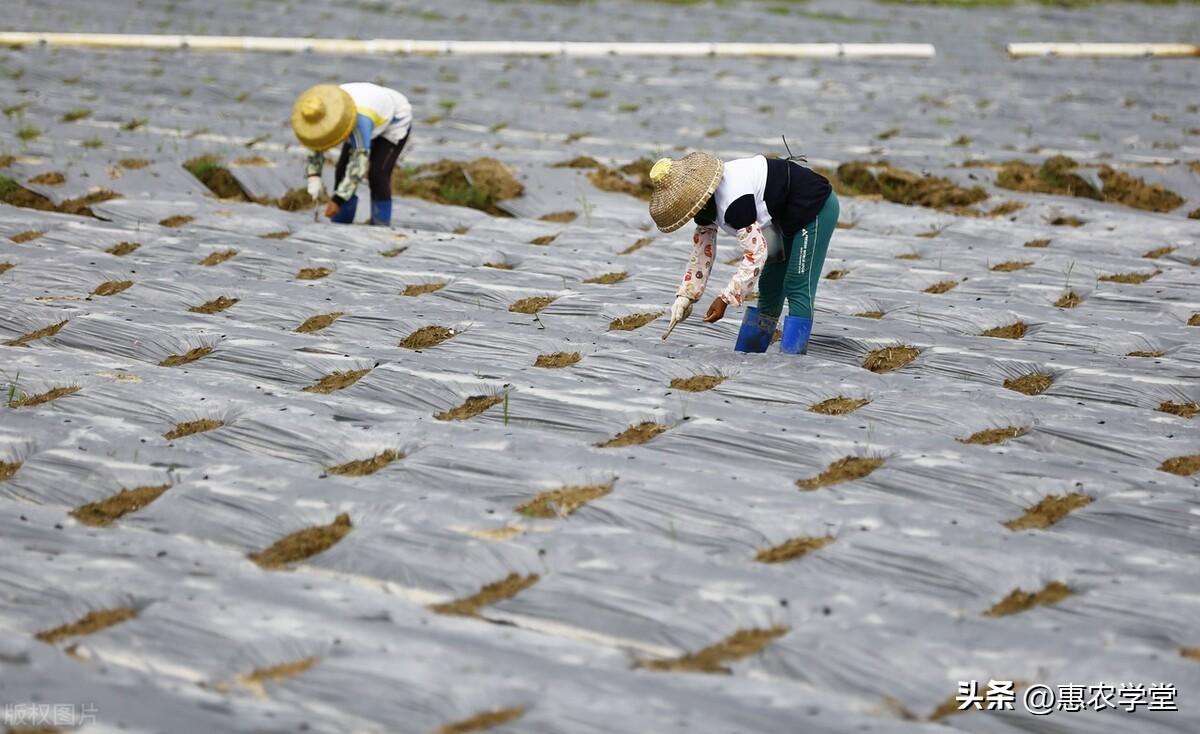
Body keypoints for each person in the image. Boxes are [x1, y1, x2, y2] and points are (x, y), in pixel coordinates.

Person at [649, 151, 837, 355]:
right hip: (782, 219)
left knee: (797, 285)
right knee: (770, 287)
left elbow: (756, 254)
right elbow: (702, 251)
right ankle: (748, 357)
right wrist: (686, 296)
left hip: (814, 208)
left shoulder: (734, 203)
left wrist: (725, 298)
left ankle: (791, 365)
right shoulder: (703, 207)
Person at [290, 82, 412, 227]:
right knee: (341, 169)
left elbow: (357, 166)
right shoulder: (322, 106)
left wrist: (337, 200)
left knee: (378, 173)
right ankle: (341, 222)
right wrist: (314, 176)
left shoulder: (360, 122)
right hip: (366, 109)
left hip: (394, 119)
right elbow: (318, 140)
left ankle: (381, 225)